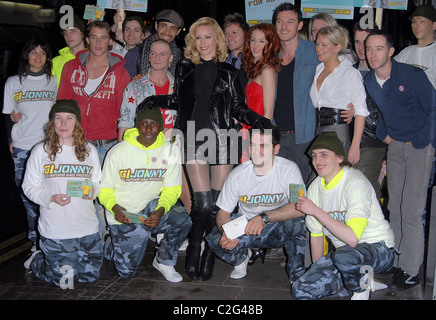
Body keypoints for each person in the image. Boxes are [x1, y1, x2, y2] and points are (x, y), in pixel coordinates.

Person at [144, 17, 272, 281]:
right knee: (201, 202)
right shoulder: (184, 68)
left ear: (217, 39)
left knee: (216, 205)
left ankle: (209, 254)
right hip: (193, 137)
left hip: (224, 139)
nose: (202, 43)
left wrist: (259, 121)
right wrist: (155, 99)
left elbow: (238, 108)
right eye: (198, 38)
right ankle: (194, 247)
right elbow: (179, 101)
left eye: (208, 37)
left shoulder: (231, 72)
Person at [365, 30, 436, 290]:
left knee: (412, 211)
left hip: (418, 148)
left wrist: (420, 140)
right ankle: (396, 261)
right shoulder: (370, 81)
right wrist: (384, 134)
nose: (373, 54)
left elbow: (433, 108)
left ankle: (410, 269)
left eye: (379, 48)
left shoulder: (412, 75)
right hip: (395, 148)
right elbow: (381, 111)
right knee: (394, 206)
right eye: (369, 49)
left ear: (391, 51)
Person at [292, 131, 395, 300]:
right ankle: (357, 278)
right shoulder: (315, 187)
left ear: (340, 158)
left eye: (324, 154)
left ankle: (361, 289)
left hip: (378, 248)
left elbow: (353, 239)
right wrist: (318, 271)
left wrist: (316, 210)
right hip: (345, 256)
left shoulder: (355, 182)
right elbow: (316, 235)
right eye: (315, 156)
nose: (318, 161)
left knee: (345, 256)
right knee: (301, 290)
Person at [98, 103, 191, 281]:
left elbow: (172, 189)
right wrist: (116, 208)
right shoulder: (117, 152)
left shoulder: (170, 151)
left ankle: (164, 260)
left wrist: (160, 210)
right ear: (137, 125)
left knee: (182, 219)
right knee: (127, 273)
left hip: (151, 208)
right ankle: (111, 243)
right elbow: (104, 190)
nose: (148, 129)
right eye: (144, 124)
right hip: (123, 213)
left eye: (154, 124)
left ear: (161, 128)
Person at [205, 126, 307, 282]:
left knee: (297, 223)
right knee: (214, 238)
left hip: (276, 225)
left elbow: (300, 207)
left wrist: (264, 217)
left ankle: (297, 275)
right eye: (252, 144)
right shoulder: (238, 174)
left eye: (263, 145)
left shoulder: (289, 169)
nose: (256, 150)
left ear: (276, 149)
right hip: (247, 225)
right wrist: (226, 232)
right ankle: (241, 259)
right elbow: (223, 213)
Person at [22, 99, 102, 287]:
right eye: (58, 118)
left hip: (87, 228)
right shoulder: (41, 151)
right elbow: (28, 187)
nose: (63, 124)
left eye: (69, 118)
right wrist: (50, 198)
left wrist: (91, 191)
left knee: (90, 277)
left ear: (77, 122)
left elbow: (98, 182)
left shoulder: (89, 150)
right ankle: (37, 261)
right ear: (52, 123)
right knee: (66, 283)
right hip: (56, 230)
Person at [118, 39, 191, 213]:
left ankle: (195, 236)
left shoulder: (181, 88)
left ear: (171, 58)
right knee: (144, 204)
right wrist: (122, 156)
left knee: (188, 197)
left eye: (163, 54)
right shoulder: (135, 87)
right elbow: (125, 123)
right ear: (148, 57)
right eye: (153, 53)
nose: (157, 58)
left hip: (175, 152)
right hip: (145, 153)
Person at [2, 37, 58, 251]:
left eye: (43, 53)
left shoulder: (53, 80)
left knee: (49, 192)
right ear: (26, 55)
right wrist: (10, 140)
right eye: (34, 52)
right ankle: (36, 238)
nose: (38, 57)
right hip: (22, 146)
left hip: (48, 147)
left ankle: (49, 235)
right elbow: (7, 115)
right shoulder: (13, 82)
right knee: (28, 195)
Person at [57, 20, 131, 164]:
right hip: (75, 144)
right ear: (87, 39)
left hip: (107, 147)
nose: (98, 42)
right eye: (93, 37)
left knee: (103, 187)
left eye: (103, 38)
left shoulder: (120, 73)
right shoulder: (71, 67)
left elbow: (125, 114)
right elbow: (62, 105)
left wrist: (122, 147)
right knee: (75, 187)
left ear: (110, 41)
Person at [271, 3, 319, 184]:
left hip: (305, 136)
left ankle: (302, 214)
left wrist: (350, 105)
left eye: (290, 22)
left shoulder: (314, 52)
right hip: (277, 135)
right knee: (285, 188)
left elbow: (337, 72)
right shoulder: (271, 55)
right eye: (280, 21)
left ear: (300, 25)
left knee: (304, 188)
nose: (284, 27)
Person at [310, 25, 368, 165]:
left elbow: (361, 110)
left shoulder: (350, 73)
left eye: (324, 45)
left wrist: (355, 145)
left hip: (337, 131)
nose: (318, 48)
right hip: (319, 131)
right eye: (317, 44)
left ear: (337, 47)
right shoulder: (319, 69)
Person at [352, 24, 386, 200]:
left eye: (365, 41)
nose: (361, 47)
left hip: (373, 141)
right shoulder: (348, 69)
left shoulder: (384, 72)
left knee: (367, 192)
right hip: (349, 140)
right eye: (357, 41)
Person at [239, 23, 280, 163]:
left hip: (258, 132)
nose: (255, 45)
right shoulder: (254, 70)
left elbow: (268, 113)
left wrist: (261, 142)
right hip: (246, 128)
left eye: (262, 41)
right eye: (253, 40)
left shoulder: (267, 71)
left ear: (270, 44)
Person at [124, 9, 184, 78]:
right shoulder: (136, 53)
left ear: (178, 32)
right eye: (163, 26)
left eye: (173, 28)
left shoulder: (181, 58)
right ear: (156, 26)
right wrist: (134, 82)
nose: (167, 32)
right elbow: (125, 84)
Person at [52, 15, 87, 87]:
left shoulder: (93, 58)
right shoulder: (55, 62)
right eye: (65, 32)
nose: (68, 35)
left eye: (73, 31)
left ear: (82, 34)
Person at [223, 13, 250, 98]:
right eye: (226, 33)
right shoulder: (221, 62)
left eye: (234, 32)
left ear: (245, 34)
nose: (229, 37)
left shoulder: (253, 62)